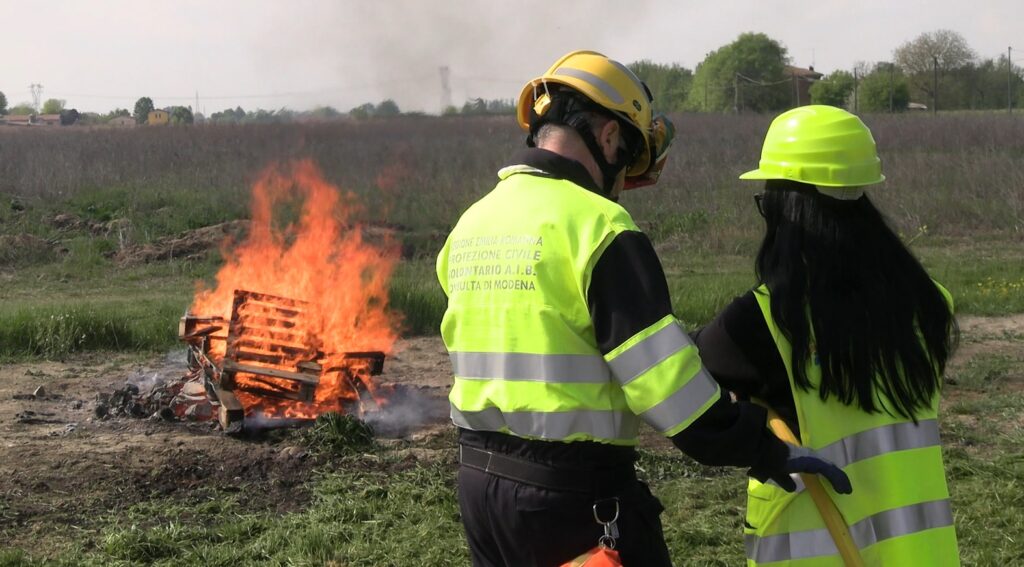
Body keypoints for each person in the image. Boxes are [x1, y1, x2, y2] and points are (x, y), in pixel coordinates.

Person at [435, 52, 851, 567]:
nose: (622, 181)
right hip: (574, 500)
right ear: (609, 136)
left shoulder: (472, 224)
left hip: (481, 492)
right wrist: (761, 445)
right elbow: (666, 387)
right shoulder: (600, 227)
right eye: (629, 156)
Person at [694, 105, 960, 565]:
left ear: (787, 209)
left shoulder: (763, 321)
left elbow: (687, 362)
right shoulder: (931, 304)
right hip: (920, 552)